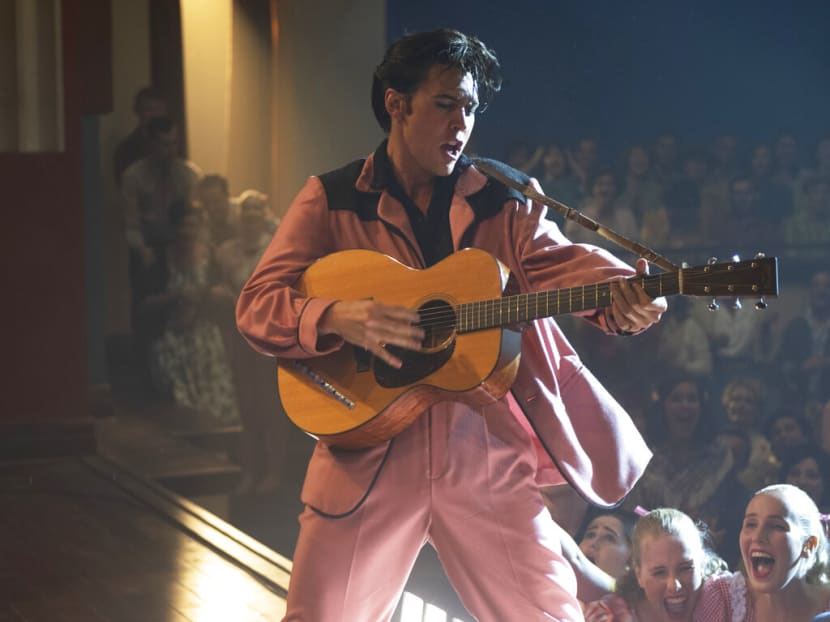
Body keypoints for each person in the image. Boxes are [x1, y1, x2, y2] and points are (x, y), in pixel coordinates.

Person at [235, 29, 666, 621]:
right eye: (445, 104)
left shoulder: (504, 200)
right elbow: (257, 304)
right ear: (396, 103)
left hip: (484, 453)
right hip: (367, 455)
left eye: (469, 107)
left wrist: (625, 296)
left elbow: (562, 264)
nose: (461, 122)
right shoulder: (331, 199)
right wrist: (336, 315)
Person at [697, 484, 830, 621]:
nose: (757, 536)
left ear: (809, 545)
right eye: (751, 524)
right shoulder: (722, 598)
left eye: (776, 526)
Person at [583, 508, 727, 622]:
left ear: (702, 565)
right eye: (659, 572)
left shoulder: (728, 601)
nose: (674, 585)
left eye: (685, 568)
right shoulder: (610, 616)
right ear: (639, 574)